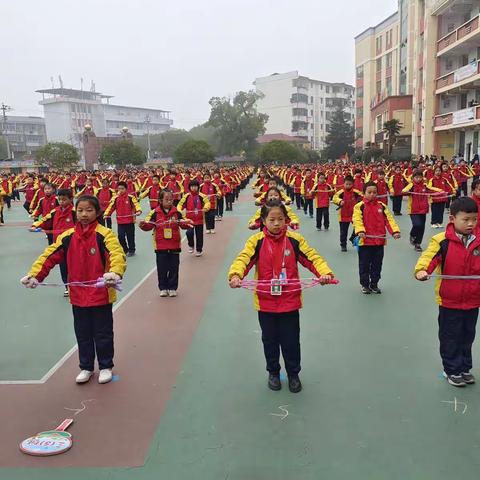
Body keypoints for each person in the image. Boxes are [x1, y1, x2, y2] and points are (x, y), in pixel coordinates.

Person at [228, 200, 334, 393]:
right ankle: (273, 373)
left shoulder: (295, 240)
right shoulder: (256, 241)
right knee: (269, 341)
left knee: (291, 340)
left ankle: (294, 374)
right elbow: (243, 258)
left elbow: (312, 257)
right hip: (265, 303)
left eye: (280, 219)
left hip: (290, 302)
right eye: (272, 219)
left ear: (286, 220)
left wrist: (324, 273)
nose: (277, 223)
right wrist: (236, 275)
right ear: (263, 220)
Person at [21, 195, 126, 385]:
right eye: (80, 210)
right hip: (77, 295)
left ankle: (105, 366)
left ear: (97, 212)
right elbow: (49, 255)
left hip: (101, 294)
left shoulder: (105, 234)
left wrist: (114, 272)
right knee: (82, 332)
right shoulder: (67, 237)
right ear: (75, 212)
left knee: (103, 333)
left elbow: (117, 254)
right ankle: (86, 367)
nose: (84, 214)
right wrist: (35, 275)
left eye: (89, 210)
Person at [414, 197, 480, 388]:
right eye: (466, 219)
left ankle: (465, 367)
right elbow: (429, 257)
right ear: (452, 218)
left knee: (468, 335)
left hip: (473, 299)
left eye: (474, 219)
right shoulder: (442, 240)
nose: (471, 224)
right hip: (450, 300)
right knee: (450, 335)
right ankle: (451, 369)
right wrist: (422, 270)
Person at [139, 190, 192, 297]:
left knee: (174, 268)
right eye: (166, 199)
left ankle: (172, 287)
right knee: (162, 268)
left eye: (171, 199)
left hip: (174, 245)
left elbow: (183, 223)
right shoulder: (154, 213)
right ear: (160, 200)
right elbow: (149, 225)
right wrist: (143, 225)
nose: (169, 201)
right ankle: (163, 288)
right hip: (160, 246)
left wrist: (188, 223)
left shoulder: (177, 212)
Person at [352, 182, 401, 294]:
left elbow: (389, 220)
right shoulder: (359, 206)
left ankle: (374, 283)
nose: (372, 194)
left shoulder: (382, 206)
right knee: (364, 265)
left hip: (379, 242)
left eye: (374, 192)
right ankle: (365, 284)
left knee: (377, 264)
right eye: (369, 192)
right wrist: (360, 231)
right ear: (364, 193)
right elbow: (357, 219)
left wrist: (395, 231)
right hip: (365, 242)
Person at [31, 188, 76, 297]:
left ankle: (75, 286)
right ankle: (67, 287)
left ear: (71, 199)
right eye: (59, 199)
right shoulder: (55, 211)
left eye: (64, 199)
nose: (61, 202)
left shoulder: (75, 212)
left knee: (74, 267)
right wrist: (35, 225)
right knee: (63, 267)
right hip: (59, 246)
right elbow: (45, 220)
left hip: (74, 246)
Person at [402, 170, 442, 252]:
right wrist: (408, 192)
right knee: (417, 224)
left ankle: (418, 244)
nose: (419, 179)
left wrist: (440, 191)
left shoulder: (424, 186)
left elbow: (432, 189)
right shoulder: (411, 185)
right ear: (413, 178)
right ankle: (412, 234)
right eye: (417, 177)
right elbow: (404, 191)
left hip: (423, 210)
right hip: (413, 210)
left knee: (422, 228)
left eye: (420, 177)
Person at [104, 181, 142, 257]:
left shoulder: (131, 197)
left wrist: (138, 211)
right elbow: (110, 207)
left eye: (122, 188)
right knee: (120, 237)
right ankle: (125, 249)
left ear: (126, 189)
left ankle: (132, 250)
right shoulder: (115, 198)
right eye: (119, 189)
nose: (120, 190)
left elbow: (136, 204)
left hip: (130, 221)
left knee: (130, 236)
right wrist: (106, 214)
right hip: (120, 222)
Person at [177, 180, 210, 257]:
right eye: (192, 186)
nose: (194, 188)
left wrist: (205, 208)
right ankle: (191, 245)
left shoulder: (202, 196)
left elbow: (207, 202)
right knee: (189, 233)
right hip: (189, 220)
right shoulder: (186, 196)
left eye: (195, 186)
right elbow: (180, 205)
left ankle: (199, 250)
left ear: (198, 187)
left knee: (199, 235)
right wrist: (179, 211)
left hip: (199, 219)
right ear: (189, 187)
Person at [332, 175, 363, 251]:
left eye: (350, 184)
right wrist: (340, 201)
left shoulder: (356, 192)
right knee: (343, 232)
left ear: (352, 184)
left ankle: (352, 238)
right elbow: (334, 198)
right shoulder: (340, 192)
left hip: (354, 215)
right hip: (343, 215)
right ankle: (343, 245)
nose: (348, 185)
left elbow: (363, 196)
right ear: (344, 184)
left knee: (357, 228)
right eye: (346, 184)